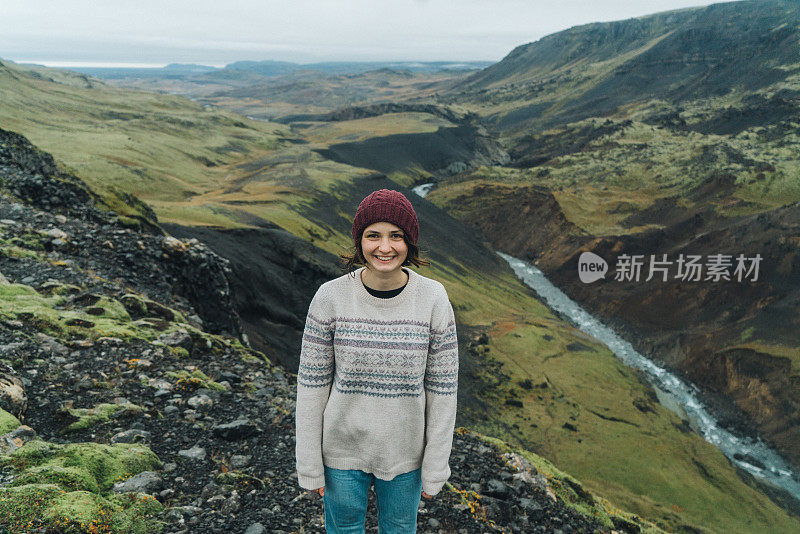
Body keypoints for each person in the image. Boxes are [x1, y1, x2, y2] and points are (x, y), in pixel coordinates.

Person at [295, 188, 459, 533]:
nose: (384, 247)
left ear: (409, 243)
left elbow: (442, 391)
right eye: (374, 236)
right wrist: (310, 464)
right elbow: (312, 385)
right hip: (341, 452)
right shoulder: (330, 298)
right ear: (360, 241)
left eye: (395, 236)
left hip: (405, 456)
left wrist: (435, 467)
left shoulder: (434, 299)